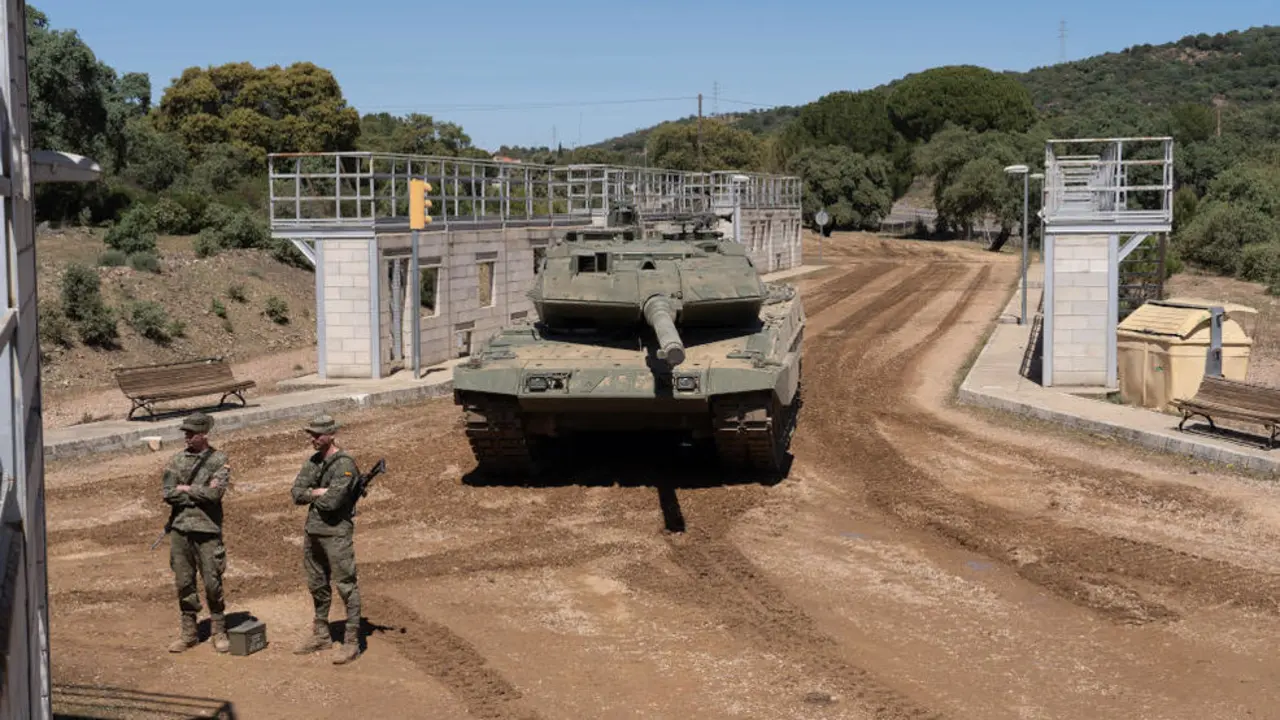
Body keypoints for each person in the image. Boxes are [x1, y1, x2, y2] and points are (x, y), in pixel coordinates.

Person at [290, 413, 363, 664]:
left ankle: (352, 641)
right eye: (310, 434)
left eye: (317, 434)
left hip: (336, 534)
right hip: (313, 532)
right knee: (317, 584)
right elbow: (296, 493)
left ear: (331, 434)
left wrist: (316, 494)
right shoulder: (313, 461)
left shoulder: (345, 465)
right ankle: (322, 633)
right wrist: (318, 492)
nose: (312, 439)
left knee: (346, 584)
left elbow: (333, 502)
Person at [162, 411, 231, 653]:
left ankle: (219, 629)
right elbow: (168, 493)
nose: (187, 437)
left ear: (203, 435)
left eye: (191, 433)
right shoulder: (176, 461)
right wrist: (197, 491)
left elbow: (215, 494)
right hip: (181, 530)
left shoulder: (218, 460)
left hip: (207, 530)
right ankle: (189, 632)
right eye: (186, 433)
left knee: (212, 582)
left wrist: (187, 489)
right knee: (184, 582)